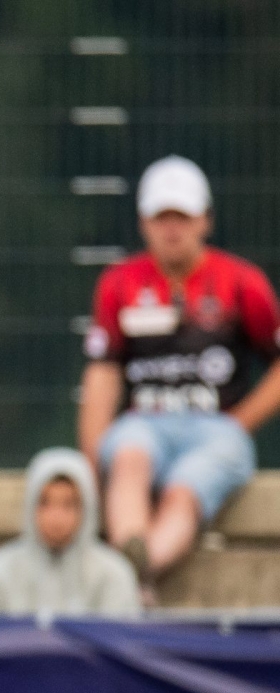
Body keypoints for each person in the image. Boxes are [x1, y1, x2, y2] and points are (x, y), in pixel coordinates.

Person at [79, 155, 279, 594]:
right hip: (143, 424)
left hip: (215, 430)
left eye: (182, 217)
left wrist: (239, 423)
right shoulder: (119, 285)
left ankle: (131, 576)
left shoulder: (242, 284)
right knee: (128, 459)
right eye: (161, 217)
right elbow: (102, 376)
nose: (172, 229)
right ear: (143, 223)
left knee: (183, 490)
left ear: (204, 220)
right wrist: (93, 467)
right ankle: (131, 564)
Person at [0, 447, 140, 618]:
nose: (56, 517)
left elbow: (122, 642)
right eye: (45, 502)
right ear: (30, 506)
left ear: (87, 509)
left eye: (69, 504)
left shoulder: (113, 574)